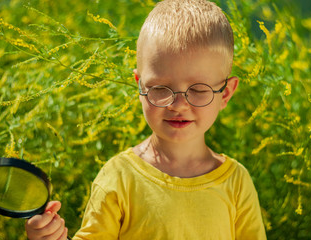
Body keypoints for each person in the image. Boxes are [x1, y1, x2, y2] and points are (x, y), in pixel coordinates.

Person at [25, 0, 267, 239]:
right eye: (160, 88)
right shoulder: (119, 177)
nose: (178, 105)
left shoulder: (236, 183)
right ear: (139, 85)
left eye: (199, 89)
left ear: (225, 93)